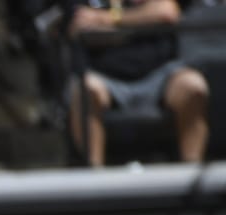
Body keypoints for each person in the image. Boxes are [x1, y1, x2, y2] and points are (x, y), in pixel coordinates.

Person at [68, 0, 210, 166]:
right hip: (104, 76)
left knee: (193, 86)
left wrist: (107, 18)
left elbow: (166, 11)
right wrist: (139, 18)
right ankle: (94, 179)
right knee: (86, 90)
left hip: (161, 73)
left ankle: (191, 174)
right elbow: (78, 25)